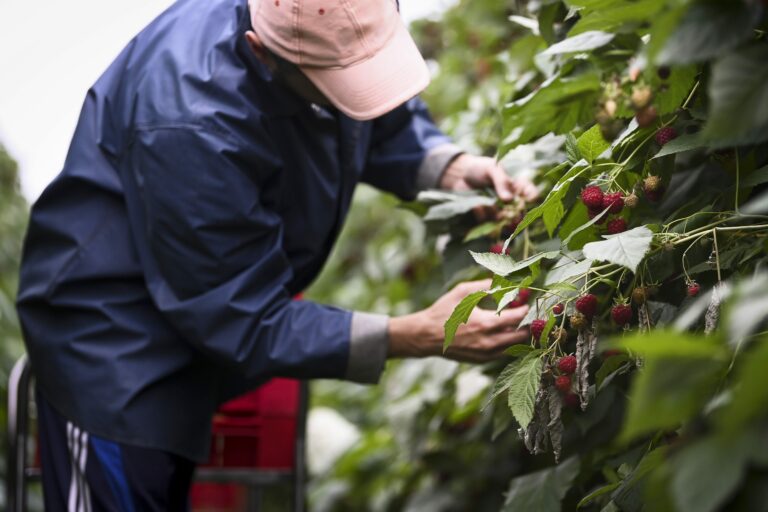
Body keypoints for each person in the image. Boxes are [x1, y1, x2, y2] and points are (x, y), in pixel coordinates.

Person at [16, 0, 536, 509]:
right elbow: (241, 314)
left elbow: (376, 111)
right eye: (336, 82)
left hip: (196, 313)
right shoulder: (192, 123)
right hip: (114, 341)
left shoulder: (320, 33)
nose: (357, 92)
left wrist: (446, 166)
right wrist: (416, 332)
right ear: (262, 53)